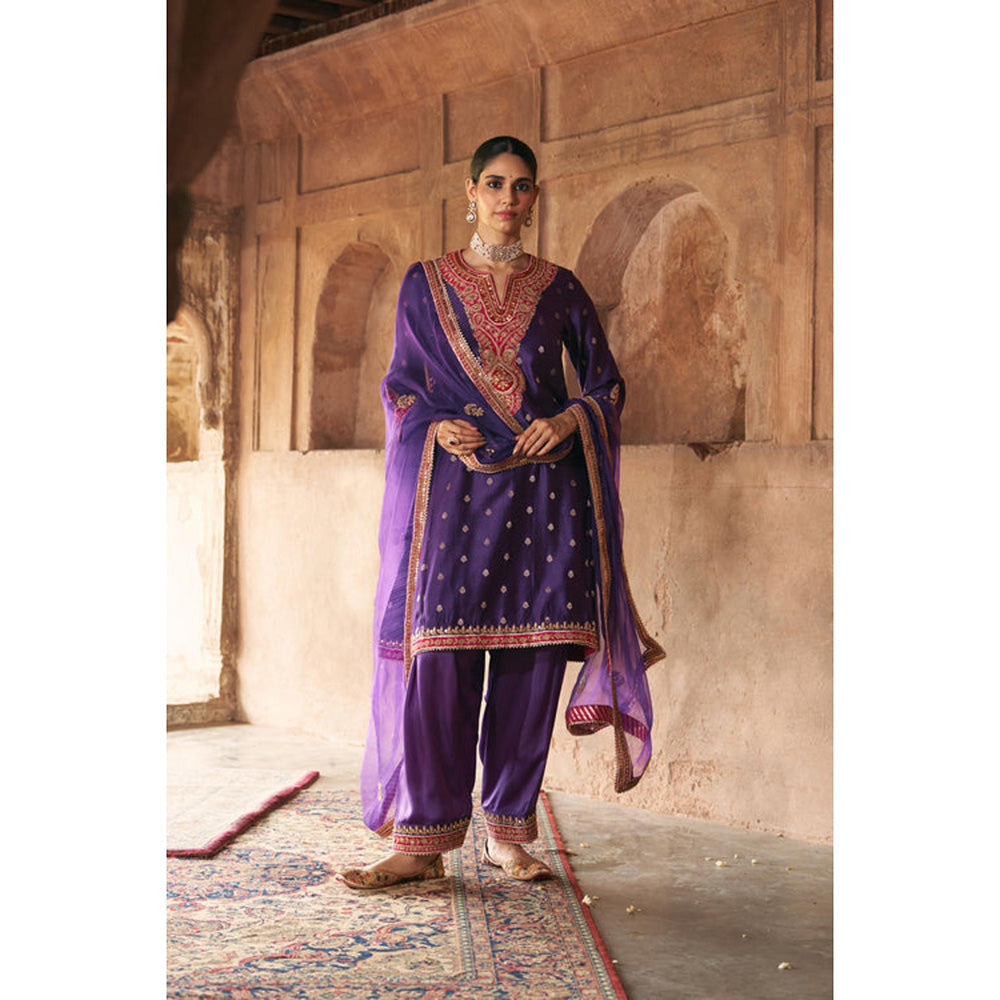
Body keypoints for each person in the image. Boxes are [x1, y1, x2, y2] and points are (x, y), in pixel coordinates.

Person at [336, 136, 663, 891]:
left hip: (545, 499)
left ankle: (508, 835)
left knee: (530, 668)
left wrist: (571, 418)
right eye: (494, 184)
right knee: (439, 667)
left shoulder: (562, 288)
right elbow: (401, 387)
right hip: (452, 497)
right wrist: (433, 423)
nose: (507, 198)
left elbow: (607, 385)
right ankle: (422, 841)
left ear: (534, 197)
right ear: (470, 192)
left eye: (520, 186)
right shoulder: (424, 284)